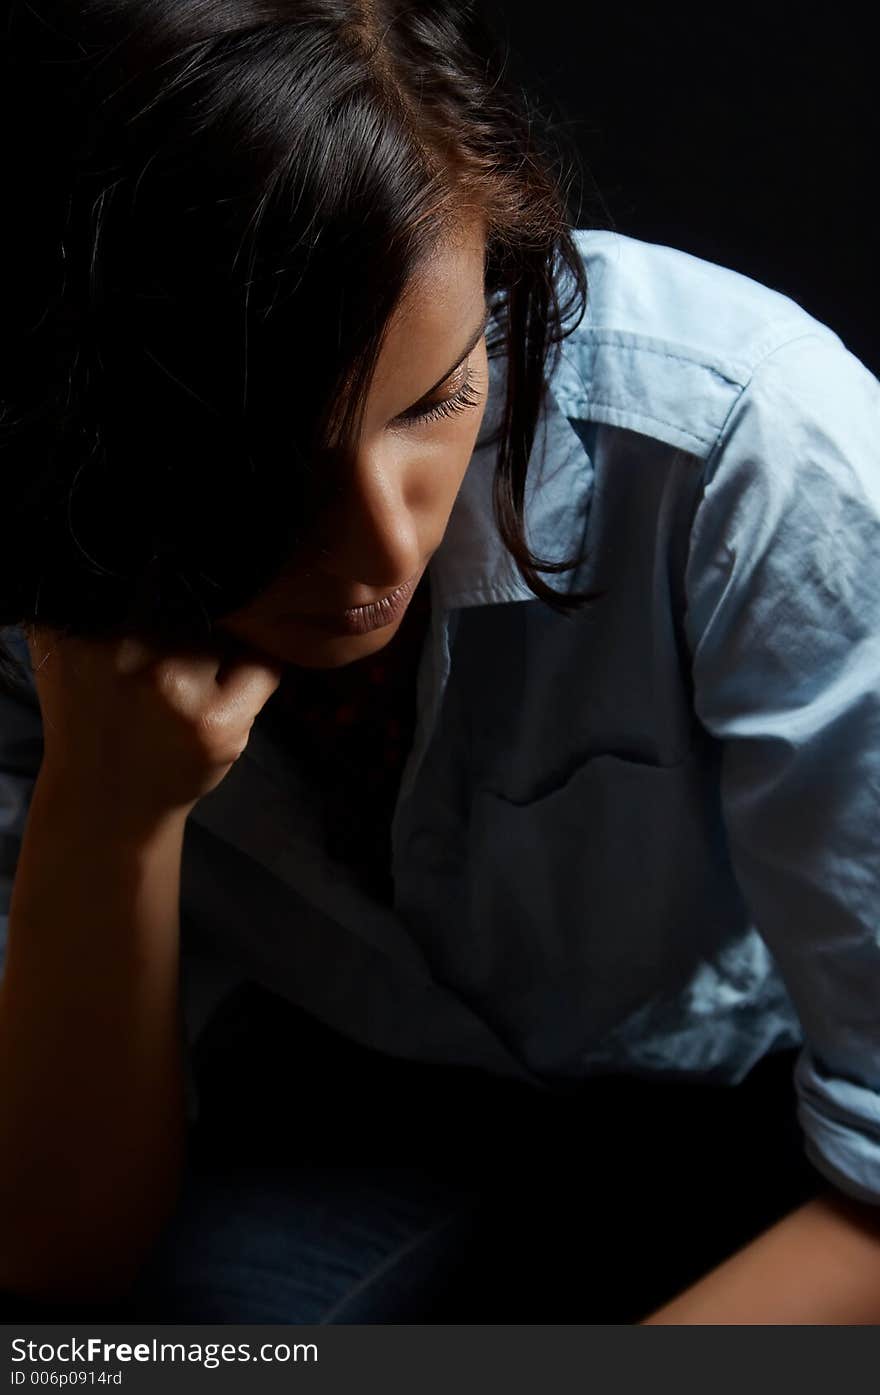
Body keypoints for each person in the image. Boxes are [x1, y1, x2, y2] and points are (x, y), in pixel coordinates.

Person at [0, 0, 879, 1325]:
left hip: (767, 1114)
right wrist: (107, 818)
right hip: (354, 1113)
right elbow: (54, 1256)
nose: (376, 544)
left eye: (434, 401)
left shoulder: (744, 448)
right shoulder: (34, 569)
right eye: (261, 460)